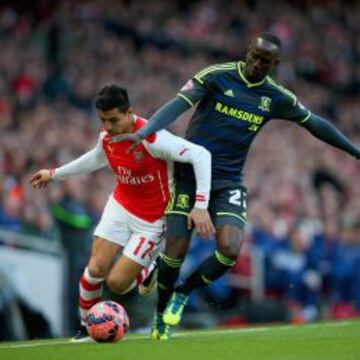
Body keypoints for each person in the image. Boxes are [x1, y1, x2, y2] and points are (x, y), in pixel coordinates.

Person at [110, 33, 360, 339]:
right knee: (175, 254)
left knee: (229, 250)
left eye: (264, 61)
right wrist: (144, 132)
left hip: (228, 181)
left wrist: (355, 151)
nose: (256, 63)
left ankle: (182, 293)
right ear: (247, 52)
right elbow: (178, 104)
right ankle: (161, 313)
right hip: (189, 176)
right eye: (253, 56)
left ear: (274, 64)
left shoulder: (275, 96)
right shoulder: (217, 76)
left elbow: (315, 122)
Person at [30, 85, 214, 341]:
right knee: (94, 269)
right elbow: (96, 158)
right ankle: (87, 327)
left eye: (114, 120)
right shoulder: (106, 136)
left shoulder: (153, 137)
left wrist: (201, 205)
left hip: (153, 220)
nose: (108, 126)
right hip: (121, 206)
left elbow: (201, 155)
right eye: (103, 120)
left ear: (130, 113)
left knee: (117, 283)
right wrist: (54, 174)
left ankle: (152, 268)